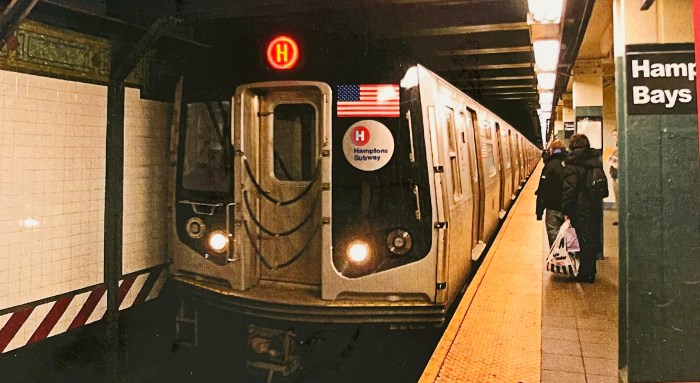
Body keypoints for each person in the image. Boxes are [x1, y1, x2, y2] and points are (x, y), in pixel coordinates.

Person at [562, 134, 606, 283]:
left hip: (580, 207)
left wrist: (566, 209)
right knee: (592, 237)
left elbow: (570, 188)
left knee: (583, 239)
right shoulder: (595, 159)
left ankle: (584, 273)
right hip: (595, 204)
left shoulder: (572, 162)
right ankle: (591, 270)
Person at [535, 139, 568, 248]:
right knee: (569, 236)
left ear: (552, 150)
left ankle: (557, 260)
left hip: (553, 207)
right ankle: (569, 257)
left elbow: (543, 189)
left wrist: (539, 211)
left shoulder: (549, 166)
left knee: (554, 239)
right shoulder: (571, 163)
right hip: (569, 208)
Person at [607, 129, 619, 225]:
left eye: (616, 134)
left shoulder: (620, 147)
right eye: (613, 135)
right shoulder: (615, 147)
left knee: (620, 197)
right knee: (617, 197)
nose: (615, 137)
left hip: (619, 175)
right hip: (615, 175)